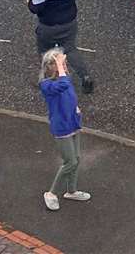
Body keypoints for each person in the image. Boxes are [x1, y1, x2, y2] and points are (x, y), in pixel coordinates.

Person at [28, 0, 94, 94]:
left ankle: (47, 80)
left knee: (45, 52)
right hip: (69, 23)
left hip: (48, 27)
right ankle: (85, 76)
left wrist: (29, 2)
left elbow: (35, 8)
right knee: (70, 49)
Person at [39, 48, 90, 210]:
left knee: (77, 158)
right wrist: (62, 67)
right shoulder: (46, 85)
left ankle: (72, 191)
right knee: (70, 161)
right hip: (61, 127)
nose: (64, 66)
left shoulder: (64, 77)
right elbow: (62, 85)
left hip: (73, 122)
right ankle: (51, 193)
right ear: (50, 66)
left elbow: (70, 93)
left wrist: (76, 108)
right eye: (60, 64)